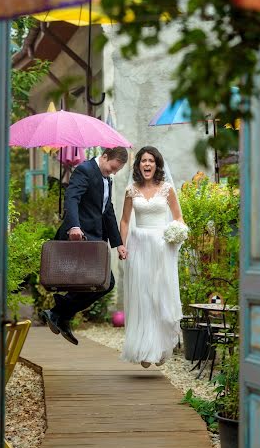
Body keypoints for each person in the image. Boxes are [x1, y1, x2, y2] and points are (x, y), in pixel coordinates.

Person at [39, 147, 128, 345]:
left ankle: (59, 314)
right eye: (111, 168)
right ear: (104, 156)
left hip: (95, 240)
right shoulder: (84, 170)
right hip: (79, 237)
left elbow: (107, 211)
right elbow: (72, 198)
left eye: (116, 171)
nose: (112, 173)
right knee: (105, 282)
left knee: (104, 283)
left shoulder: (107, 179)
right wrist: (74, 226)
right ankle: (60, 314)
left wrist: (118, 244)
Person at [120, 146, 183, 368]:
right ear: (138, 165)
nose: (147, 164)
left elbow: (178, 219)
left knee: (160, 296)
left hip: (161, 247)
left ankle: (162, 346)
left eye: (151, 161)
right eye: (143, 161)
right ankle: (144, 348)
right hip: (138, 246)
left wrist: (176, 234)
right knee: (142, 296)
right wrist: (122, 245)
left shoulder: (167, 189)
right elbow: (125, 221)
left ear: (157, 165)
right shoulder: (131, 190)